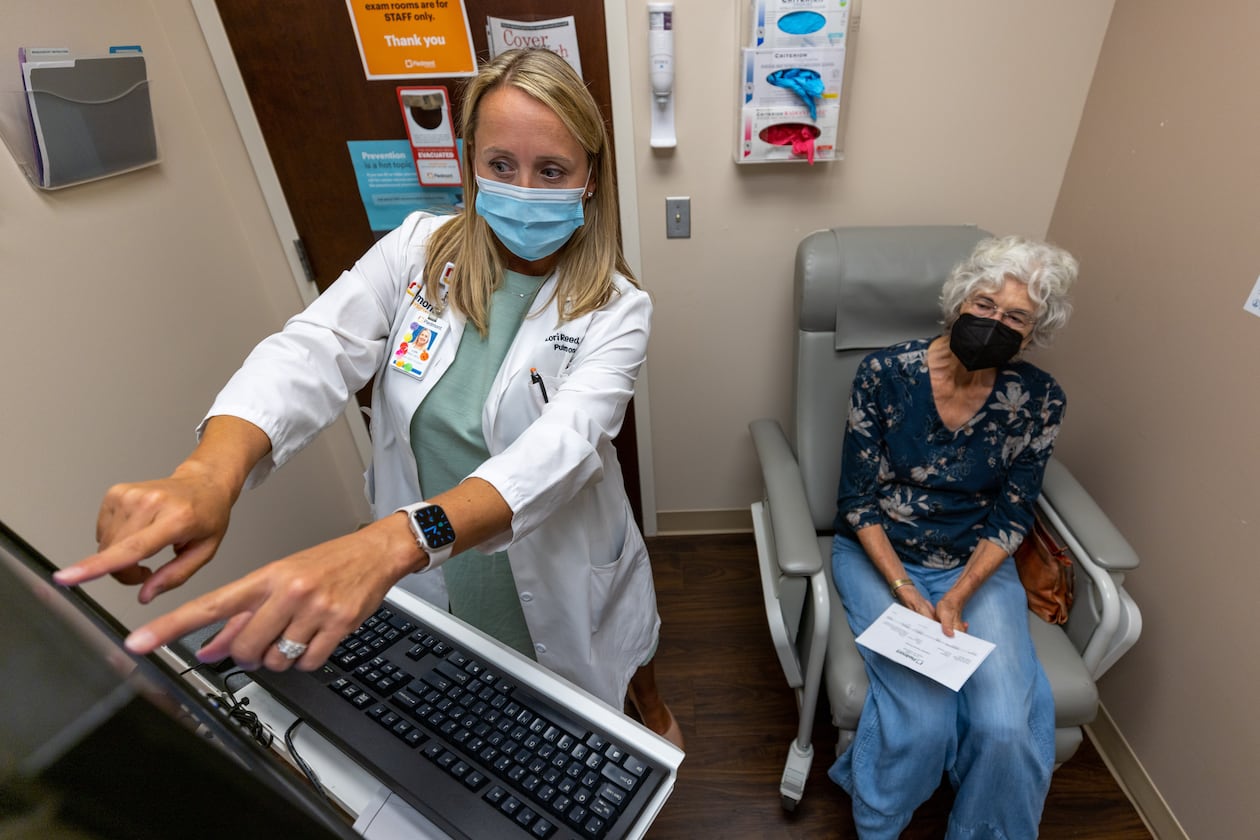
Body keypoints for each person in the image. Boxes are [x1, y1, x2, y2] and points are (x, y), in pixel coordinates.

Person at [54, 48, 682, 748]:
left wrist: (400, 539)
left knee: (616, 656)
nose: (524, 190)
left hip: (546, 557)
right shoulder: (416, 251)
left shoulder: (618, 308)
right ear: (471, 160)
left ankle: (652, 717)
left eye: (552, 171)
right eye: (501, 165)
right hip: (431, 568)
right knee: (481, 714)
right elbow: (314, 349)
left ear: (590, 178)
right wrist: (207, 474)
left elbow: (558, 449)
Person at [827, 235, 1078, 838]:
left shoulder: (1038, 400)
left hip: (975, 566)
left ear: (1034, 331)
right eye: (986, 305)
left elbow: (1015, 512)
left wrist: (958, 594)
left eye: (1017, 316)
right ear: (961, 300)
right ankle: (880, 823)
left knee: (1005, 726)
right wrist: (906, 590)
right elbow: (857, 501)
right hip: (878, 554)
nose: (996, 323)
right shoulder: (885, 373)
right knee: (920, 722)